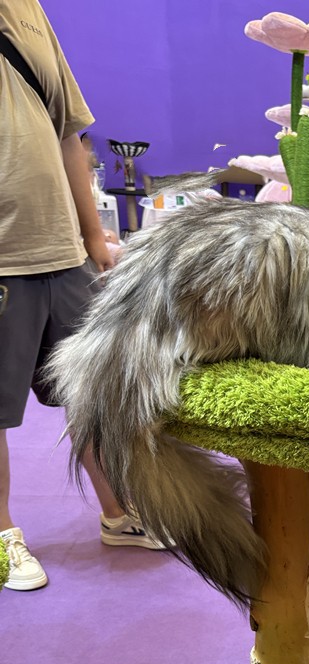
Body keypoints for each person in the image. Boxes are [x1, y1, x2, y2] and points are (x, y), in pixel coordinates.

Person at [0, 0, 163, 592]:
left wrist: (94, 238)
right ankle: (2, 536)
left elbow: (69, 130)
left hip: (63, 252)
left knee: (92, 392)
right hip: (4, 259)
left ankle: (119, 513)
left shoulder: (28, 10)